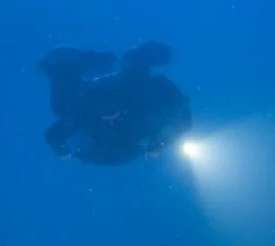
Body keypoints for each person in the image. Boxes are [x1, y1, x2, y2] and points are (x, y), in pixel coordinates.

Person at [39, 41, 192, 165]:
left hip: (126, 131)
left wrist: (159, 144)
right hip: (120, 137)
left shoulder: (147, 89)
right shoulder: (81, 112)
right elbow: (56, 133)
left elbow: (55, 134)